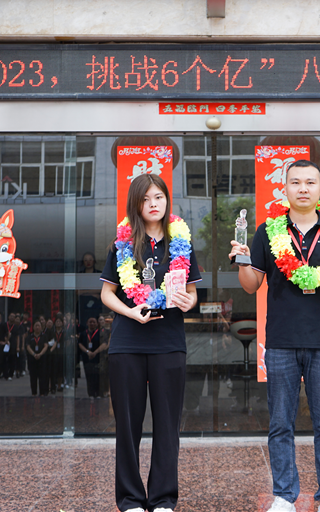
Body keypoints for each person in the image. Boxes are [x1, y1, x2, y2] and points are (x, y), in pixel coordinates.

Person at [230, 159, 320, 512]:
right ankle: (284, 495)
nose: (303, 188)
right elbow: (252, 285)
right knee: (280, 423)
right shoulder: (267, 231)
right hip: (281, 341)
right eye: (296, 182)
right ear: (284, 189)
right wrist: (242, 261)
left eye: (310, 182)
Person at [100, 173, 201, 512]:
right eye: (145, 199)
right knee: (127, 427)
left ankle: (162, 499)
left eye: (158, 197)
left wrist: (188, 302)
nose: (153, 204)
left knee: (167, 426)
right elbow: (107, 294)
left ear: (167, 200)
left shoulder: (181, 242)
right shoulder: (122, 245)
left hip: (169, 343)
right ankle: (130, 499)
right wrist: (131, 312)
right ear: (136, 204)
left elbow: (192, 293)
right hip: (127, 344)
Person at [78, 317, 102, 398]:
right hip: (87, 358)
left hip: (97, 358)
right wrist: (88, 352)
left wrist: (95, 352)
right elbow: (80, 344)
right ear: (87, 323)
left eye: (94, 322)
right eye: (90, 322)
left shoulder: (99, 333)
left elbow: (104, 344)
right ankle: (90, 393)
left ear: (97, 323)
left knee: (97, 376)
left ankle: (97, 393)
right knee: (89, 376)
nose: (92, 323)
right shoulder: (83, 333)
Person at [26, 320, 49, 396]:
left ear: (41, 327)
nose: (37, 327)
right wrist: (34, 354)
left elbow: (46, 346)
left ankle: (42, 392)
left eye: (38, 325)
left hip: (42, 358)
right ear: (33, 327)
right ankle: (34, 393)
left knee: (42, 376)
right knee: (33, 377)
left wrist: (40, 354)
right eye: (36, 325)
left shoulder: (44, 336)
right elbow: (28, 347)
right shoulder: (30, 336)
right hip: (32, 358)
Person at [48, 317, 65, 393]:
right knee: (52, 370)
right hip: (53, 353)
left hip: (62, 352)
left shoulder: (64, 332)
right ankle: (51, 386)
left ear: (62, 323)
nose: (58, 323)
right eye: (57, 321)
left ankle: (59, 386)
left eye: (59, 321)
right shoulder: (52, 332)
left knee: (60, 370)